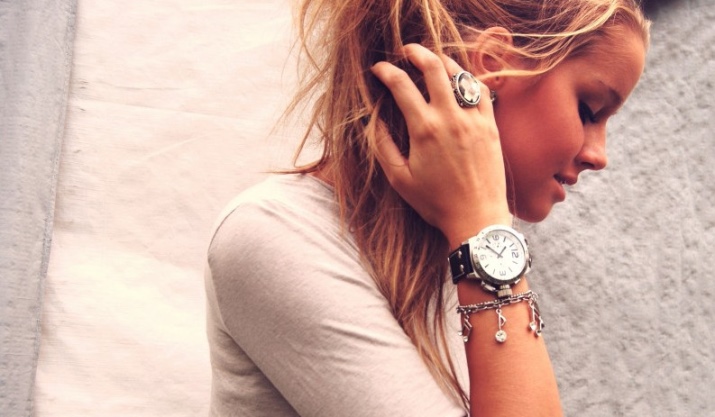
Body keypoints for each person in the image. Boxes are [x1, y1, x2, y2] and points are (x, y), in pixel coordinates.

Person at [204, 0, 649, 415]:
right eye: (589, 110)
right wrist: (482, 228)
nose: (599, 155)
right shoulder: (274, 236)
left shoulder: (452, 248)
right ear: (492, 64)